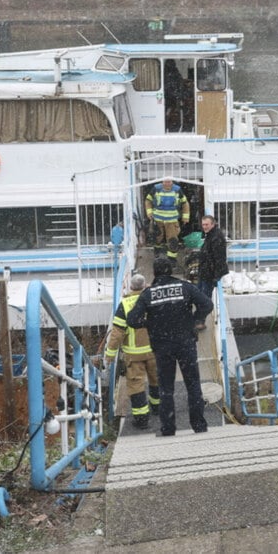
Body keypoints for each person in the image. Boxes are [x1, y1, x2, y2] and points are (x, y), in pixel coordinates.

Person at [127, 257, 213, 436]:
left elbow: (132, 320)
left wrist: (150, 324)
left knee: (166, 388)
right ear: (171, 270)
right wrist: (195, 319)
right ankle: (199, 425)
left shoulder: (148, 294)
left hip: (162, 346)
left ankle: (168, 428)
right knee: (193, 385)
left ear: (155, 272)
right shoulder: (185, 287)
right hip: (185, 343)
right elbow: (207, 304)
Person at [104, 273, 159, 430]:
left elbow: (117, 333)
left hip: (134, 355)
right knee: (157, 380)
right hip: (154, 351)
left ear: (131, 287)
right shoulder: (153, 300)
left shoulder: (125, 305)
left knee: (136, 385)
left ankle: (142, 419)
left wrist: (110, 354)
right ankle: (158, 408)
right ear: (144, 286)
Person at [145, 176, 189, 263]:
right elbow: (148, 200)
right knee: (157, 237)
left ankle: (172, 259)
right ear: (162, 182)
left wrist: (185, 216)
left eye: (169, 182)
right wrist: (149, 213)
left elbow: (185, 203)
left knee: (173, 240)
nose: (167, 184)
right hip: (157, 219)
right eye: (165, 182)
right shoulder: (156, 188)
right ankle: (157, 254)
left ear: (172, 182)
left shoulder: (177, 190)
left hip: (172, 220)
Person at [197, 214, 228, 299]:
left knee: (203, 299)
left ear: (213, 224)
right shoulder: (210, 235)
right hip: (205, 272)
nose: (204, 227)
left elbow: (219, 258)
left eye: (206, 224)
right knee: (199, 296)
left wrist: (216, 276)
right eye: (203, 224)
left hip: (209, 274)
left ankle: (204, 311)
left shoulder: (216, 237)